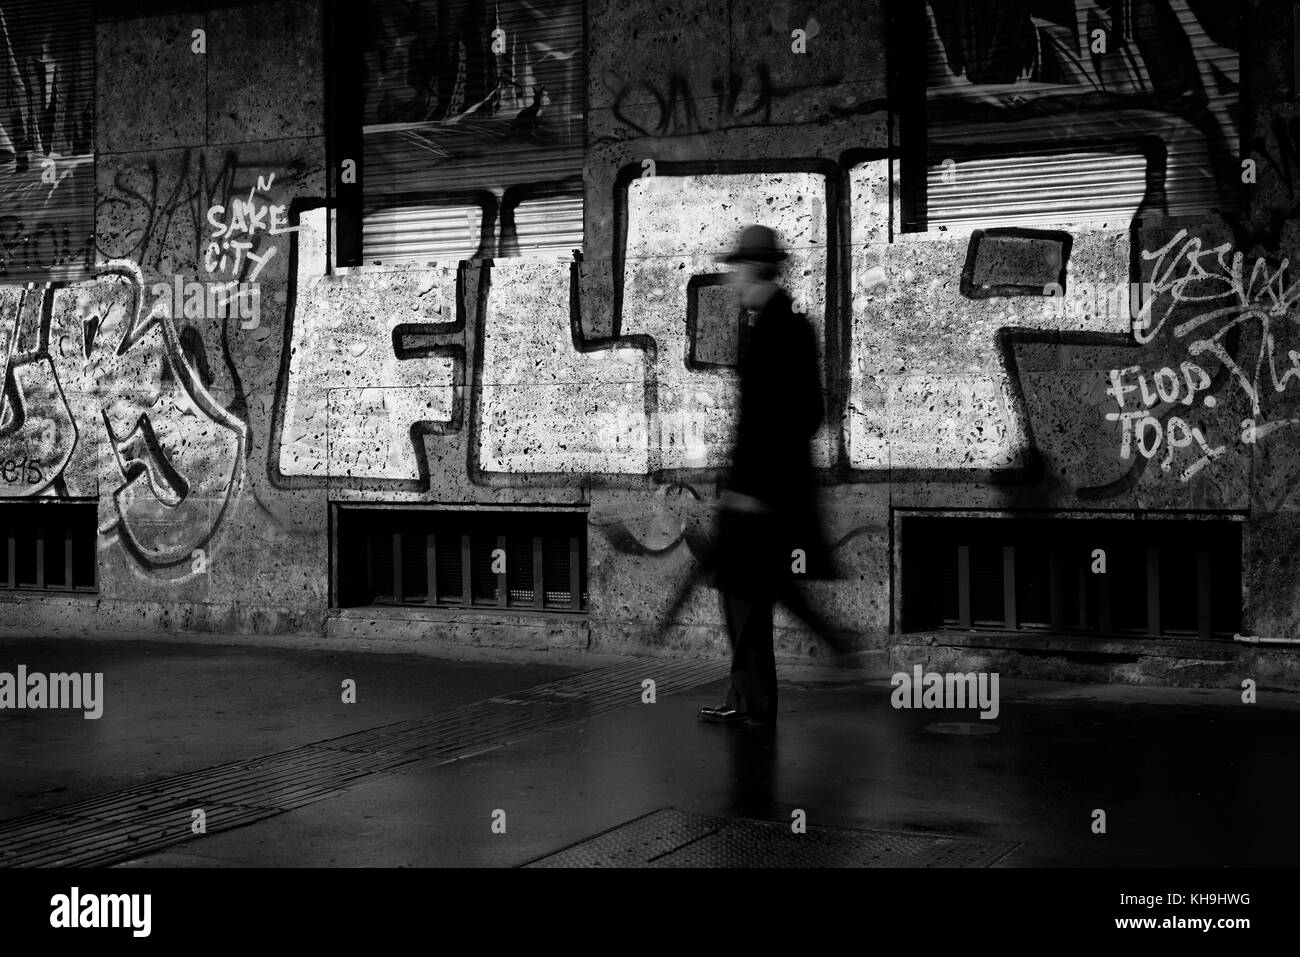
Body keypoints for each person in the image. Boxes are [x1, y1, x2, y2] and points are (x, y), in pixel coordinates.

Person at [699, 224, 838, 728]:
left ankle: (754, 701)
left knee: (744, 596)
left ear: (756, 270)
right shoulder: (778, 325)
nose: (732, 280)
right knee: (752, 595)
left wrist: (752, 489)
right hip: (761, 493)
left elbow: (796, 417)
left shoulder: (783, 330)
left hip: (760, 497)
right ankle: (750, 696)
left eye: (737, 269)